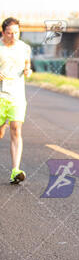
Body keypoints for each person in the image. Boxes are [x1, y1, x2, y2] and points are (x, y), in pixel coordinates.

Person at [0, 17, 32, 184]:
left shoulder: (25, 48)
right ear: (3, 32)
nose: (13, 36)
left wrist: (28, 70)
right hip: (0, 96)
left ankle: (15, 170)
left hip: (17, 96)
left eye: (16, 33)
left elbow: (28, 65)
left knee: (16, 129)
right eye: (10, 33)